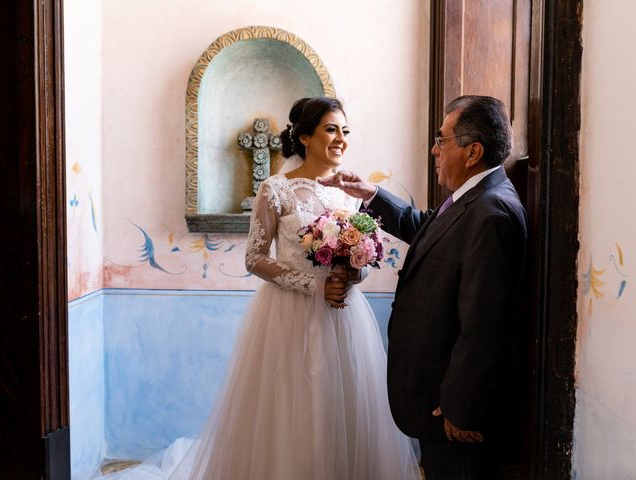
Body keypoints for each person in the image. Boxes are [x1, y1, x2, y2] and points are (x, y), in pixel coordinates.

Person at [98, 97, 422, 480]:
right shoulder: (276, 190)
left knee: (346, 408)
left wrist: (351, 275)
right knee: (294, 410)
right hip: (290, 316)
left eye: (345, 131)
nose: (341, 139)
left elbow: (362, 259)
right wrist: (313, 287)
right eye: (331, 129)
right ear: (304, 137)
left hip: (345, 318)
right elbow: (254, 258)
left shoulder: (348, 192)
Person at [319, 95, 528, 480]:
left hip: (453, 418)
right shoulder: (473, 198)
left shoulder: (492, 213)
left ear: (473, 151)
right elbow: (426, 227)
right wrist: (372, 196)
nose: (434, 149)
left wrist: (459, 407)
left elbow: (485, 325)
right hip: (435, 403)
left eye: (442, 139)